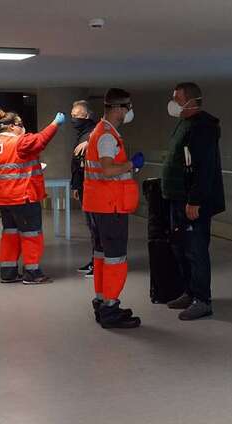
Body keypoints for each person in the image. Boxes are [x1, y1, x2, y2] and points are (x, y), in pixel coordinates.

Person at [161, 82, 225, 321]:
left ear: (190, 101)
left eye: (177, 99)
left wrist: (195, 200)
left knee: (196, 249)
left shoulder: (203, 127)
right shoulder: (184, 124)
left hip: (192, 202)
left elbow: (203, 168)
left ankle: (202, 300)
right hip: (177, 198)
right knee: (181, 247)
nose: (173, 103)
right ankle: (190, 291)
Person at [83, 88, 146, 329]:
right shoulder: (107, 136)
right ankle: (110, 307)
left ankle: (102, 302)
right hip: (111, 206)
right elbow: (108, 170)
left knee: (101, 255)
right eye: (128, 107)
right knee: (115, 258)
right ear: (119, 108)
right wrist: (132, 163)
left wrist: (128, 168)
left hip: (98, 204)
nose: (130, 111)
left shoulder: (99, 132)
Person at [0, 109, 65, 284]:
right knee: (31, 234)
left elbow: (13, 167)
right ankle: (32, 273)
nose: (23, 128)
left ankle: (8, 272)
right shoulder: (18, 142)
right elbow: (40, 140)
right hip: (22, 196)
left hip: (4, 199)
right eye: (21, 124)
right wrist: (55, 124)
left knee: (10, 234)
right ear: (13, 126)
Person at [69, 100, 99, 277]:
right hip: (83, 186)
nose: (74, 119)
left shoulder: (93, 133)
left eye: (78, 115)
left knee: (96, 228)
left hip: (93, 188)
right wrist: (75, 185)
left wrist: (91, 141)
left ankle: (99, 263)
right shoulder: (82, 134)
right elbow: (77, 163)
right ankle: (95, 260)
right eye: (72, 116)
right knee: (92, 227)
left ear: (87, 115)